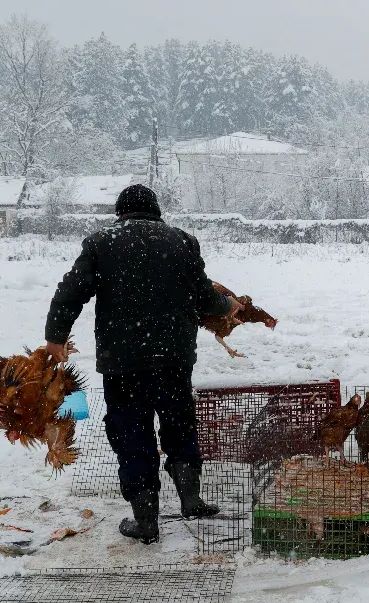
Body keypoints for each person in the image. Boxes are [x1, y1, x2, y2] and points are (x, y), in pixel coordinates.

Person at [44, 184, 241, 544]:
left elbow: (70, 291)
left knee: (131, 434)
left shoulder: (101, 243)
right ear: (156, 211)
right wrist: (227, 307)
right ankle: (191, 498)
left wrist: (55, 336)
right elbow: (202, 293)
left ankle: (145, 518)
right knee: (179, 422)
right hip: (172, 358)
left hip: (123, 363)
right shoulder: (181, 241)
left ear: (120, 212)